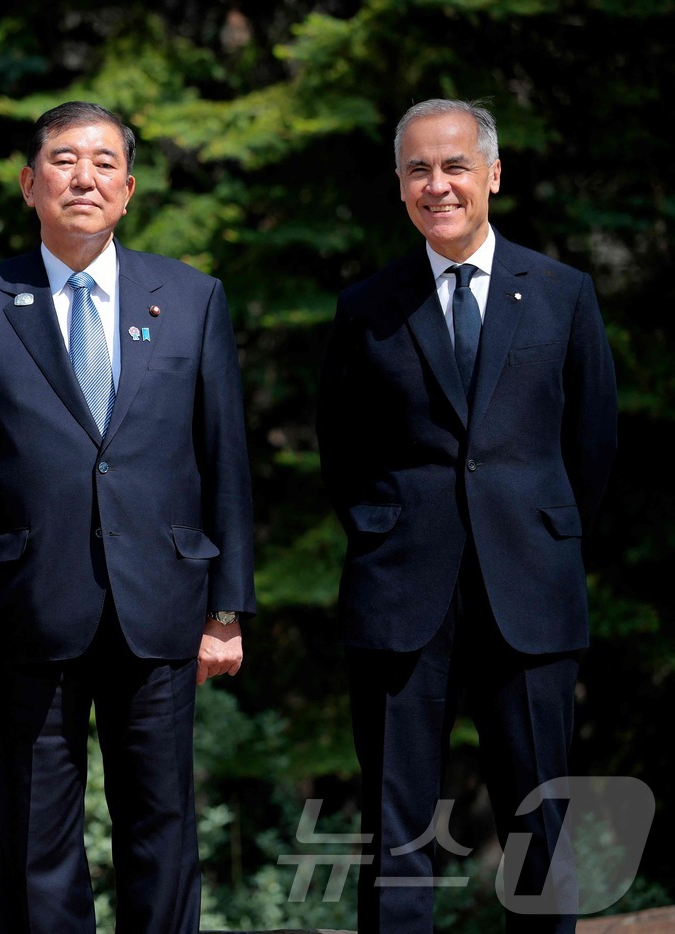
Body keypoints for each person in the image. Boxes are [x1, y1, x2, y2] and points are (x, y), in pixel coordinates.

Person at [0, 100, 256, 933]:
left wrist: (227, 607)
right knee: (38, 839)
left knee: (162, 828)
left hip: (162, 605)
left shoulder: (192, 298)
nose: (84, 178)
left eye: (104, 163)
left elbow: (226, 459)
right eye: (64, 160)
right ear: (29, 184)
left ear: (128, 190)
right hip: (28, 609)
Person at [316, 98, 619, 933]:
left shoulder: (562, 293)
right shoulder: (367, 307)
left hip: (531, 586)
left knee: (538, 819)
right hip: (401, 589)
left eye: (455, 166)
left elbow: (592, 443)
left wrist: (541, 533)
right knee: (397, 825)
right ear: (399, 184)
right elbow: (342, 449)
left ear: (493, 174)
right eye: (418, 169)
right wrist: (386, 531)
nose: (437, 184)